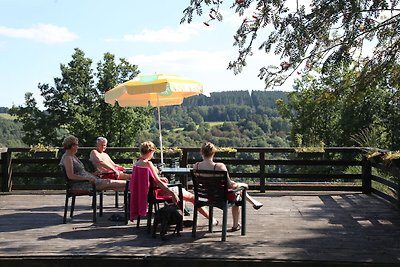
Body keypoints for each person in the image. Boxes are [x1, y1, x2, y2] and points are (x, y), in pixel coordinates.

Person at [135, 141, 218, 225]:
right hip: (159, 191)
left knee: (182, 194)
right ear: (150, 151)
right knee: (192, 198)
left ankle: (181, 218)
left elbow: (148, 180)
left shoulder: (137, 164)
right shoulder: (148, 163)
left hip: (148, 192)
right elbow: (158, 182)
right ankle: (211, 219)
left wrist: (159, 178)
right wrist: (171, 193)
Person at [193, 142, 263, 232]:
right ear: (213, 153)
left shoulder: (196, 166)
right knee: (238, 194)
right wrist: (242, 184)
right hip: (222, 197)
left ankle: (253, 202)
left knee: (237, 190)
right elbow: (230, 185)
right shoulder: (219, 166)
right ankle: (235, 225)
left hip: (208, 196)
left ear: (201, 152)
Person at [60, 135, 126, 192]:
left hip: (89, 181)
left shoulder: (72, 156)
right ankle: (131, 185)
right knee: (109, 182)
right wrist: (87, 178)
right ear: (72, 146)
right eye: (77, 145)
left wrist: (92, 174)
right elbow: (70, 176)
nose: (78, 147)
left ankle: (130, 199)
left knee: (116, 186)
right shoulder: (67, 158)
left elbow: (80, 172)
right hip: (82, 184)